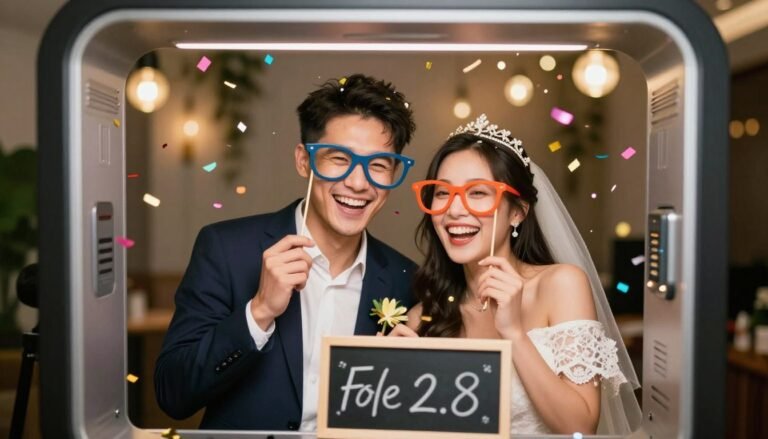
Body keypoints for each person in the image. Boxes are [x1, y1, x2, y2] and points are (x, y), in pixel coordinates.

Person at [154, 74, 418, 431]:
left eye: (378, 165)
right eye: (339, 159)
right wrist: (258, 312)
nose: (359, 183)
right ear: (304, 162)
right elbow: (173, 394)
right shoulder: (226, 249)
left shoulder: (406, 280)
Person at [390, 114, 642, 435]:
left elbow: (580, 426)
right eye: (442, 192)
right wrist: (394, 374)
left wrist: (514, 333)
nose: (454, 209)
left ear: (517, 212)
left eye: (478, 193)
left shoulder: (561, 284)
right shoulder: (424, 315)